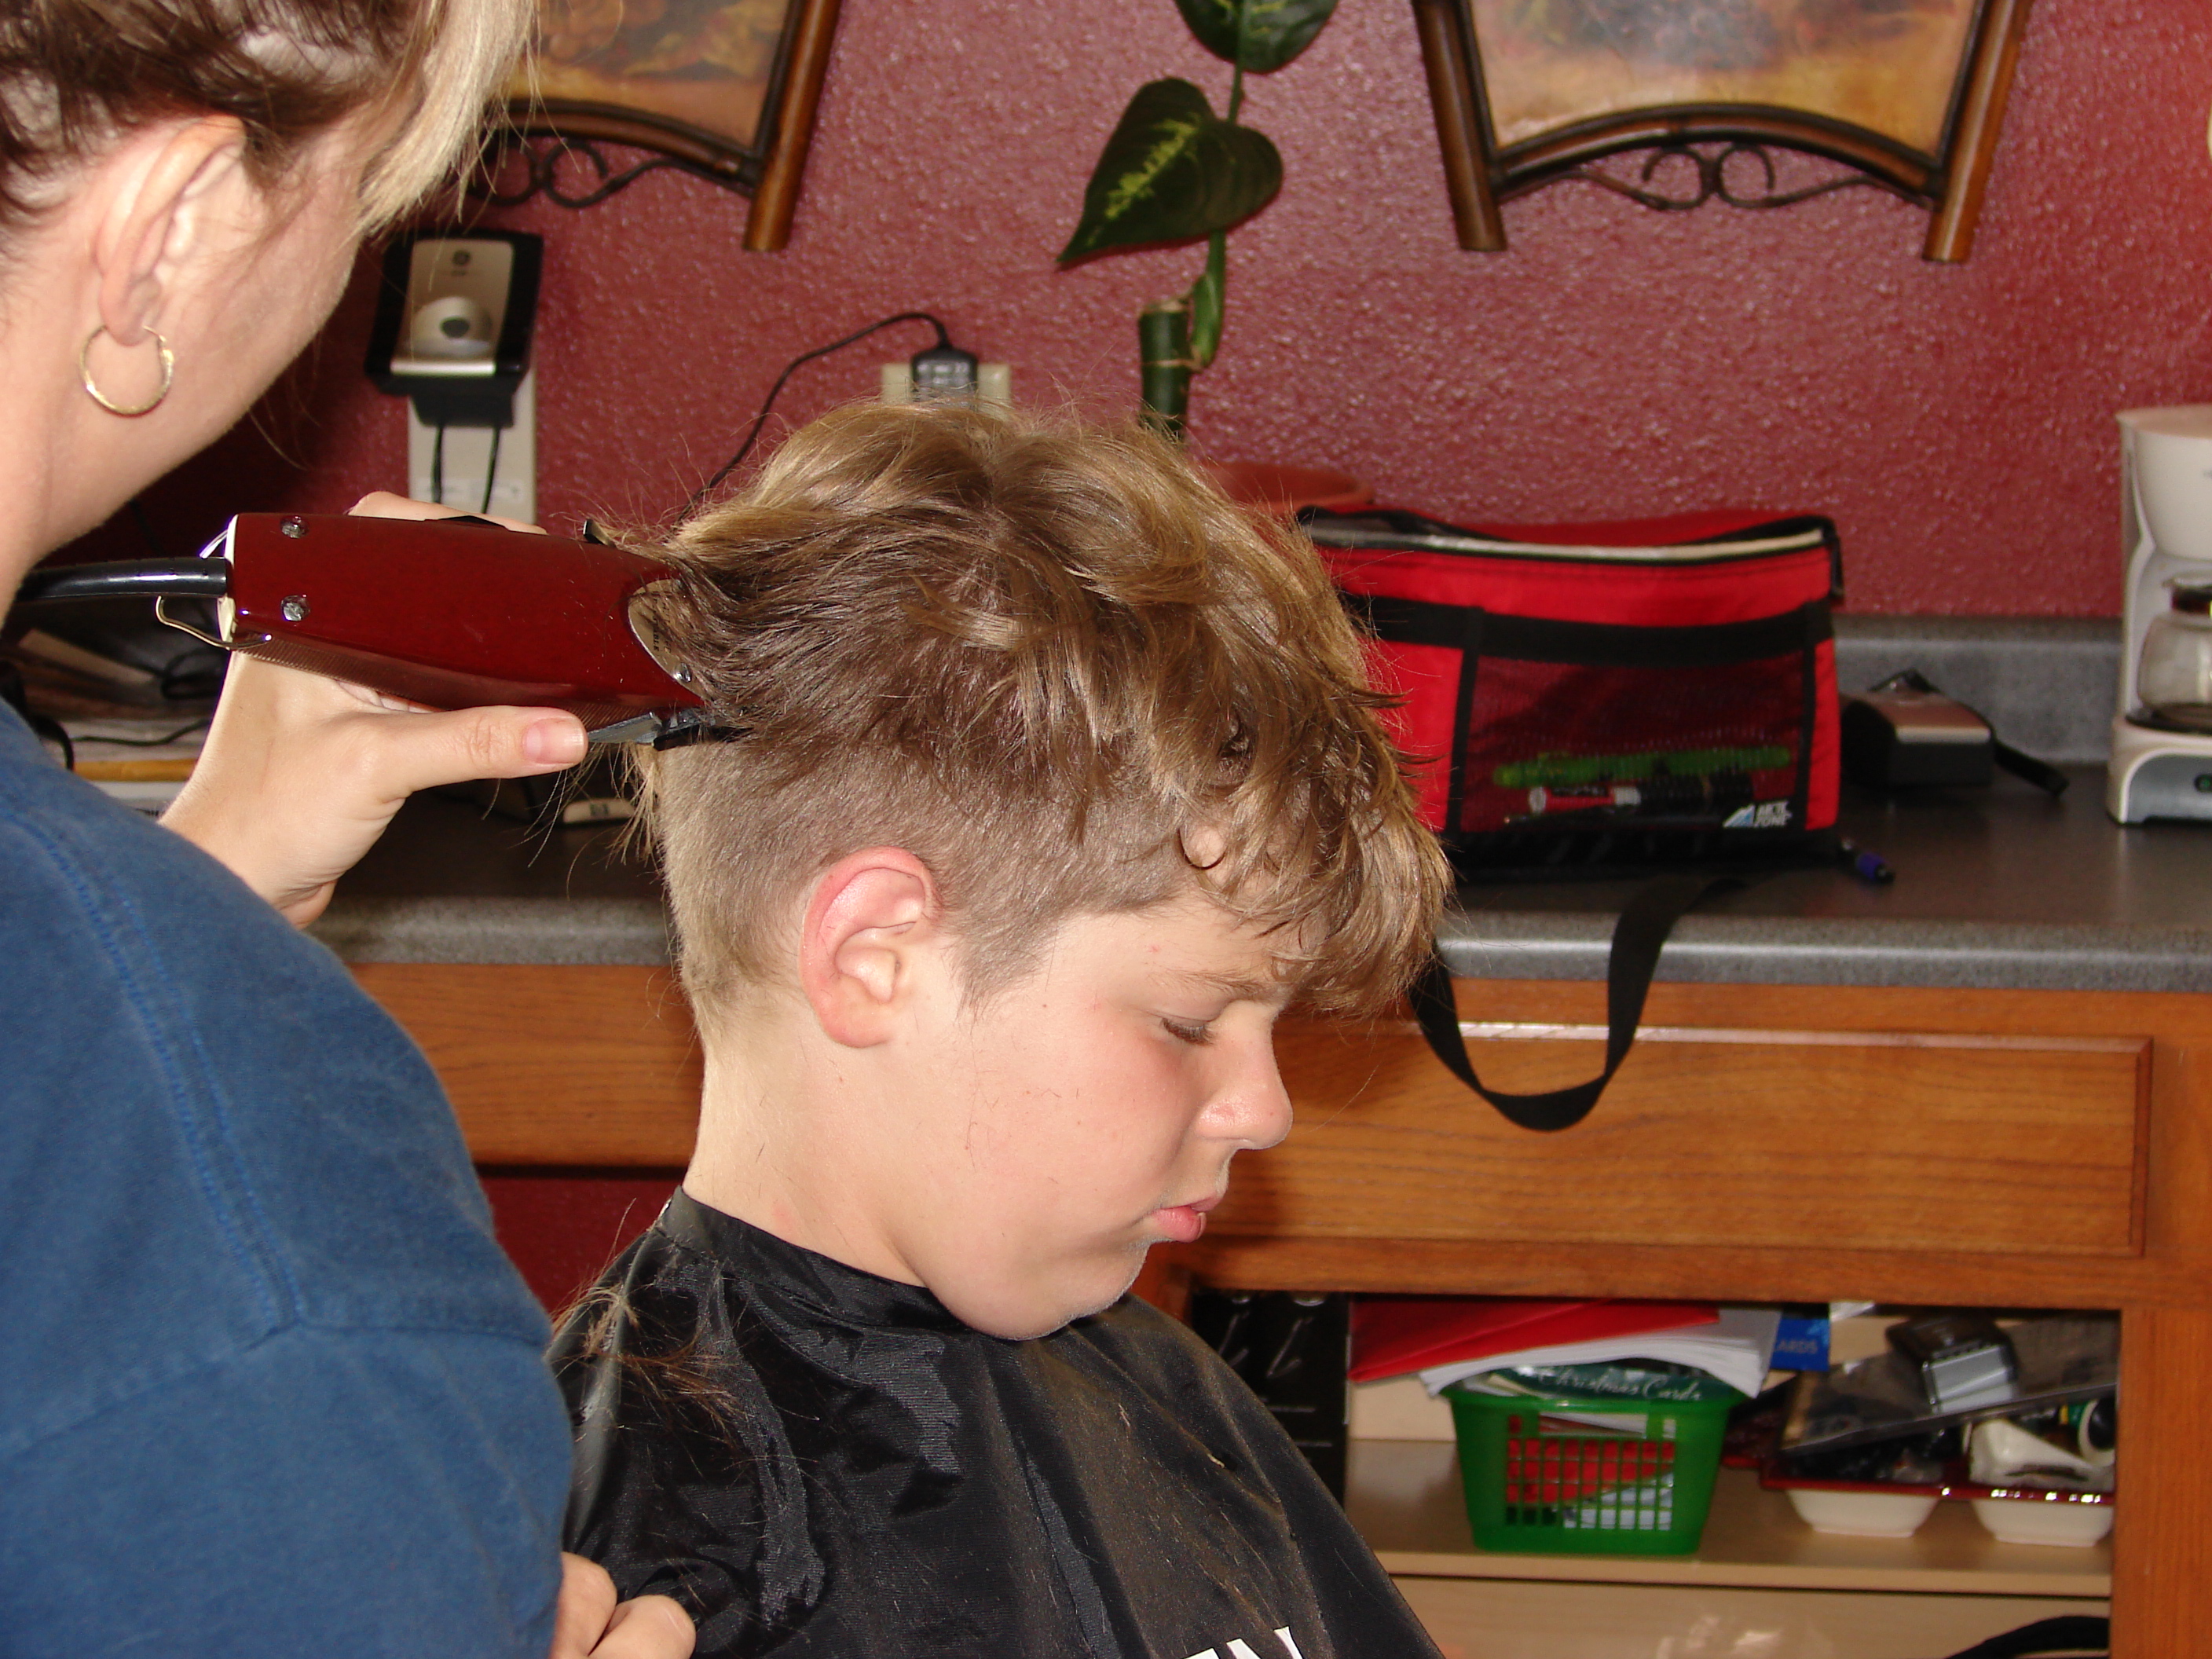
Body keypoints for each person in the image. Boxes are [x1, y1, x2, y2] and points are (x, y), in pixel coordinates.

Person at [0, 1, 689, 1654]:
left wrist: (187, 902)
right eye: (370, 195)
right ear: (170, 229)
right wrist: (170, 996)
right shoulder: (262, 1169)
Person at [551, 401, 1455, 1657]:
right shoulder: (632, 1573)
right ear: (877, 956)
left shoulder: (1158, 1391)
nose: (1264, 1110)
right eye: (1192, 1020)